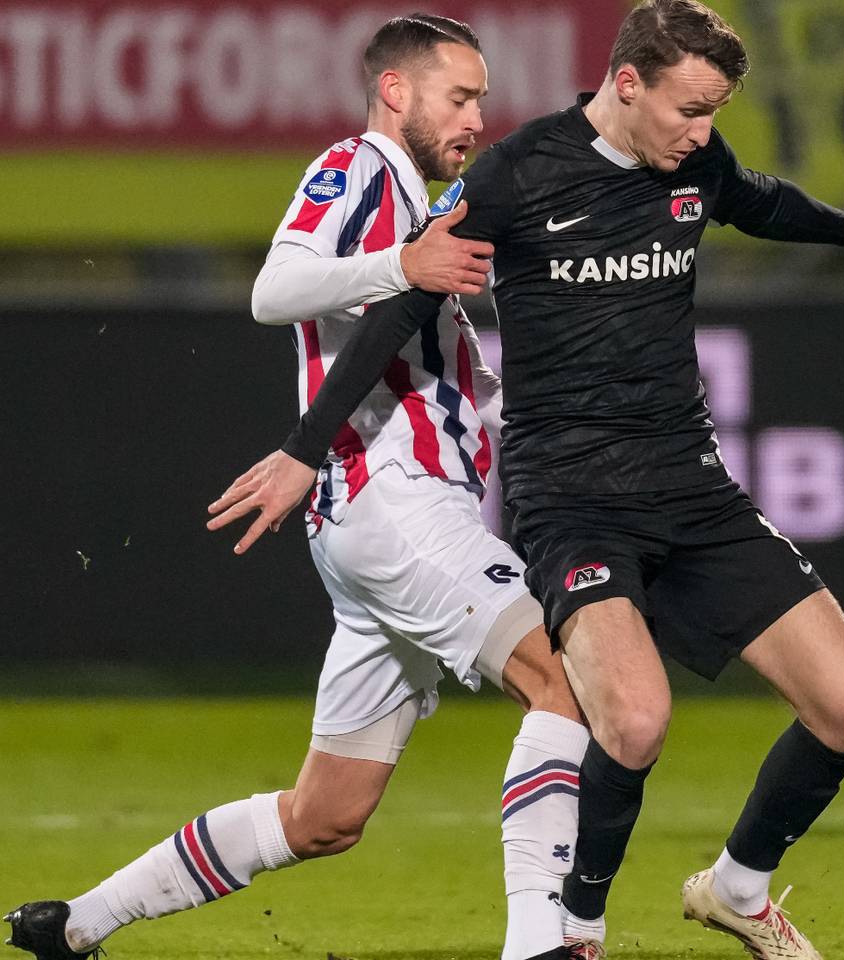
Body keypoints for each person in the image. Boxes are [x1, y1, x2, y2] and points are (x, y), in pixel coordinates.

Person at [200, 1, 844, 956]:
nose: (702, 133)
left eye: (714, 113)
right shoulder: (517, 174)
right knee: (631, 720)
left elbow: (761, 199)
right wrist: (305, 448)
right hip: (572, 498)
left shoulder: (694, 161)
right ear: (627, 84)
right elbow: (398, 306)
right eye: (689, 109)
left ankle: (736, 891)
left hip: (691, 486)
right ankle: (572, 925)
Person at [4, 16, 589, 960]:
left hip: (376, 523)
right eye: (461, 96)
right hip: (395, 501)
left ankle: (78, 924)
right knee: (567, 681)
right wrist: (403, 263)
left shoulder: (412, 198)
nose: (477, 118)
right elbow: (273, 290)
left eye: (480, 98)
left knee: (325, 815)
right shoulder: (359, 166)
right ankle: (539, 946)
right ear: (396, 91)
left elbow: (428, 358)